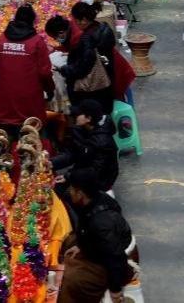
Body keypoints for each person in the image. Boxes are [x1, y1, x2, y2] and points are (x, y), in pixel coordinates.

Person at [58, 169, 134, 303]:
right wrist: (81, 245)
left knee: (71, 281)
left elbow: (115, 257)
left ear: (80, 193)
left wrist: (115, 291)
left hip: (110, 262)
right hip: (98, 247)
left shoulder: (102, 223)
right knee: (68, 242)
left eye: (72, 189)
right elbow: (85, 229)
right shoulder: (91, 200)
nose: (69, 192)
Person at [45, 16, 136, 104]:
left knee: (122, 104)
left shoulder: (79, 38)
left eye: (54, 37)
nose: (55, 40)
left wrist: (62, 69)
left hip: (113, 70)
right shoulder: (73, 26)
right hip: (110, 65)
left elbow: (81, 68)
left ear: (61, 32)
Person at [0, 5, 55, 133]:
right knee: (30, 146)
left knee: (4, 142)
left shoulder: (2, 39)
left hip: (5, 103)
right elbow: (44, 72)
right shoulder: (37, 42)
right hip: (29, 104)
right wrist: (50, 90)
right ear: (32, 21)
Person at [59, 2, 116, 115]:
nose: (76, 24)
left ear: (84, 19)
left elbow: (83, 67)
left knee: (92, 116)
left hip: (93, 89)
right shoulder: (103, 29)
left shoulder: (88, 38)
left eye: (76, 21)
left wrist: (65, 69)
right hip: (107, 81)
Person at [51, 100, 119, 192]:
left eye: (78, 114)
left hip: (100, 182)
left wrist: (69, 177)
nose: (75, 116)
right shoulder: (81, 129)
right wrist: (51, 163)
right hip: (82, 171)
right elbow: (72, 153)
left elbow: (96, 171)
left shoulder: (103, 142)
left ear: (88, 118)